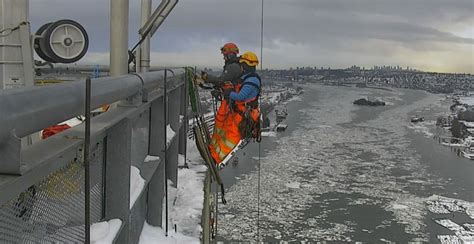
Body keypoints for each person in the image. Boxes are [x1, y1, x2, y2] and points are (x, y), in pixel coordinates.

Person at [209, 51, 262, 165]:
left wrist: (228, 93)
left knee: (231, 137)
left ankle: (215, 158)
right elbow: (235, 87)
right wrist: (223, 90)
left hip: (244, 114)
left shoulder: (251, 81)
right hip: (238, 111)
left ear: (245, 65)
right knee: (222, 131)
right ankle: (212, 151)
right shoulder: (246, 77)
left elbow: (240, 97)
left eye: (242, 65)